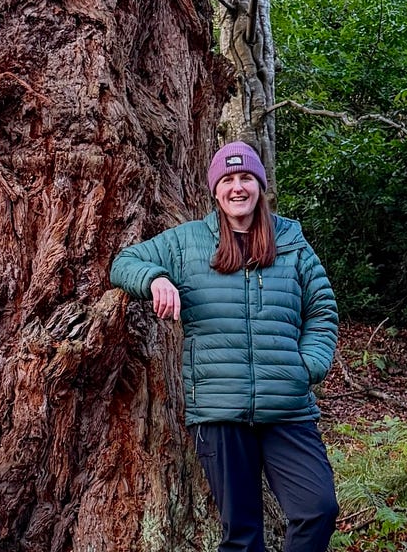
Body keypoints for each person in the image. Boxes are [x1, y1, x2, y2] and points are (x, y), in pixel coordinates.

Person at [109, 141, 339, 552]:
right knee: (243, 534)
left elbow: (322, 309)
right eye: (228, 179)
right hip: (218, 408)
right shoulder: (188, 242)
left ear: (260, 185)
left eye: (246, 178)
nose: (238, 187)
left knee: (318, 510)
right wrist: (156, 279)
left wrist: (308, 366)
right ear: (215, 190)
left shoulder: (291, 241)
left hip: (287, 408)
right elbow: (123, 262)